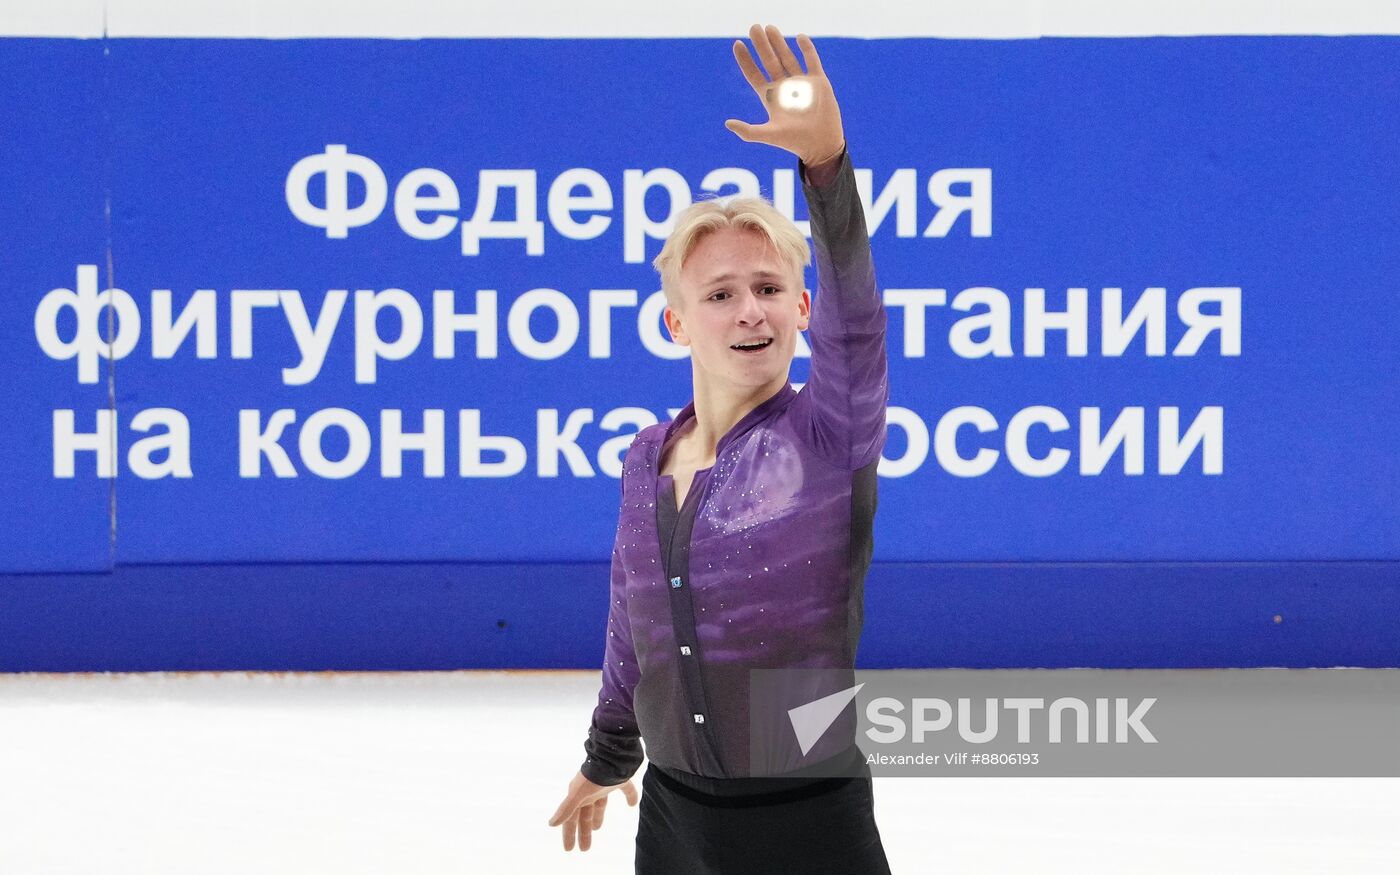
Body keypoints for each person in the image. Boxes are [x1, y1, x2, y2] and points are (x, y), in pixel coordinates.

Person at [548, 23, 892, 874]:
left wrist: (827, 171)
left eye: (772, 288)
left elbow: (861, 323)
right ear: (678, 320)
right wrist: (609, 750)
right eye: (722, 293)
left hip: (812, 818)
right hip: (674, 820)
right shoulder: (645, 458)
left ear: (803, 310)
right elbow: (634, 617)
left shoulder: (828, 434)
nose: (751, 311)